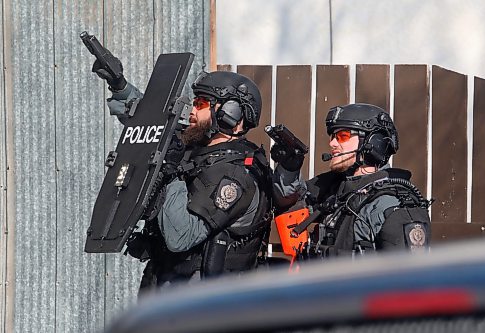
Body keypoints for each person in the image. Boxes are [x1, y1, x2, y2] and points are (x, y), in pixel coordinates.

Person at [92, 57, 272, 291]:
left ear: (230, 113)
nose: (192, 109)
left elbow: (181, 237)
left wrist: (169, 171)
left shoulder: (236, 174)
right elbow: (150, 122)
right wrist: (119, 84)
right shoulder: (195, 148)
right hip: (166, 286)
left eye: (202, 103)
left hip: (204, 303)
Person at [271, 103, 431, 258]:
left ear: (372, 143)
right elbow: (289, 205)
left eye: (343, 136)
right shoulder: (335, 190)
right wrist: (289, 169)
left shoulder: (393, 205)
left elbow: (406, 280)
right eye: (333, 136)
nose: (332, 143)